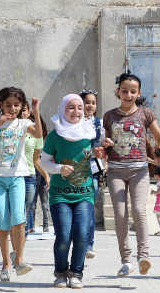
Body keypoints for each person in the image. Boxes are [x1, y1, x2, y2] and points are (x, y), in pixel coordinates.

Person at [100, 71, 160, 277]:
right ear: (118, 92)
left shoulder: (145, 114)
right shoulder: (109, 116)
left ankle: (143, 257)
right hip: (115, 170)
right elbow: (103, 145)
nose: (128, 95)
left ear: (138, 92)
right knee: (120, 214)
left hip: (139, 170)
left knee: (139, 210)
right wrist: (104, 145)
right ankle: (126, 260)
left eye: (133, 91)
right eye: (124, 91)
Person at [0, 87, 43, 282]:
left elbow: (39, 134)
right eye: (8, 105)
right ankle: (6, 263)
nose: (12, 108)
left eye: (17, 105)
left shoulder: (24, 123)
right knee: (3, 223)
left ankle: (20, 259)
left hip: (17, 177)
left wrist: (36, 110)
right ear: (1, 105)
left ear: (22, 106)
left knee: (19, 219)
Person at [41, 93, 96, 289]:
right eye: (71, 107)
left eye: (79, 107)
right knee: (64, 235)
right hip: (60, 194)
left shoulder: (90, 132)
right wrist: (58, 169)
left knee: (81, 234)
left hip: (84, 194)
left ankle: (77, 273)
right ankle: (61, 272)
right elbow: (43, 162)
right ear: (63, 109)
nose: (76, 111)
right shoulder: (55, 136)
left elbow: (99, 156)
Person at [80, 89, 105, 259]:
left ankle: (89, 244)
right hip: (76, 170)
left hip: (94, 170)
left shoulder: (99, 123)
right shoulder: (73, 122)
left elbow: (103, 146)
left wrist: (104, 150)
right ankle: (79, 242)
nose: (90, 105)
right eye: (87, 102)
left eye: (93, 102)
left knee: (89, 207)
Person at [20, 101, 50, 234]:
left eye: (24, 110)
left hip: (30, 174)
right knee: (18, 206)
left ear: (29, 112)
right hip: (14, 174)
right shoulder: (10, 126)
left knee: (29, 206)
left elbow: (36, 159)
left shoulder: (35, 132)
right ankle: (18, 231)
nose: (21, 112)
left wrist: (46, 175)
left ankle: (25, 232)